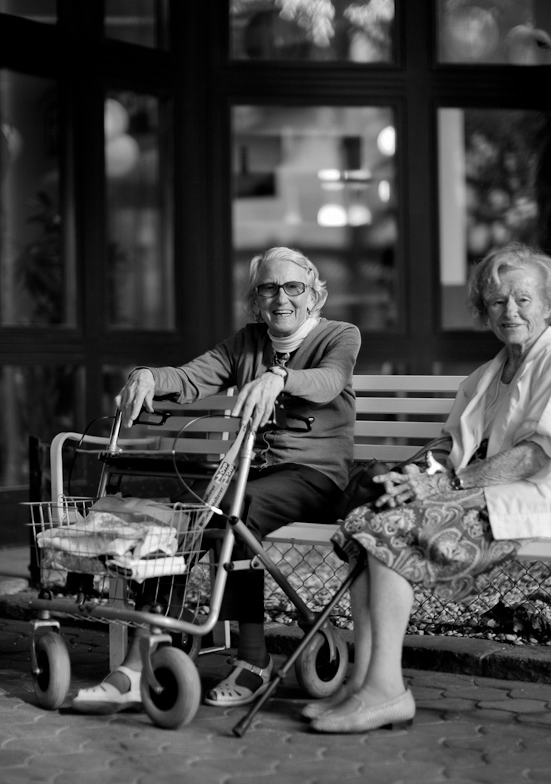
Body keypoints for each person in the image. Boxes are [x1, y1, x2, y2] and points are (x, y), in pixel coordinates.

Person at [302, 242, 551, 734]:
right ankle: (362, 681)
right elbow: (450, 446)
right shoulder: (488, 374)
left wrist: (447, 483)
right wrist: (415, 477)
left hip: (532, 499)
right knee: (364, 521)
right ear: (484, 309)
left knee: (389, 532)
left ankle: (388, 691)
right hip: (476, 494)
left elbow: (535, 454)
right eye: (496, 300)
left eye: (523, 299)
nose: (509, 310)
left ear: (549, 305)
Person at [72, 246, 361, 713]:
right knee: (183, 517)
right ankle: (138, 661)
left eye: (293, 287)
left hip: (315, 476)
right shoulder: (246, 342)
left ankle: (252, 659)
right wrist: (147, 375)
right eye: (267, 288)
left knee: (232, 511)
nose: (281, 298)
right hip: (248, 475)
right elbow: (189, 378)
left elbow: (330, 381)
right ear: (256, 298)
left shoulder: (339, 335)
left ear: (313, 296)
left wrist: (279, 379)